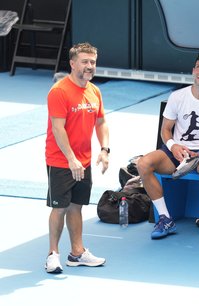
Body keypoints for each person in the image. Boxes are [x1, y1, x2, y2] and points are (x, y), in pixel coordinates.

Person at [137, 54, 199, 240]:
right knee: (143, 164)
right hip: (176, 153)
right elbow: (166, 130)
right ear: (193, 71)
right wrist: (173, 147)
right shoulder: (177, 96)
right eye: (197, 67)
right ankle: (165, 218)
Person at [44, 42, 109, 274]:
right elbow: (58, 129)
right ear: (73, 64)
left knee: (76, 207)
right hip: (61, 161)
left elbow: (100, 122)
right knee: (59, 208)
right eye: (84, 61)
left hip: (84, 160)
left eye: (92, 62)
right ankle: (53, 254)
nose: (89, 66)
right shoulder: (59, 91)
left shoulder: (94, 91)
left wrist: (105, 149)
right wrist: (71, 159)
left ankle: (77, 253)